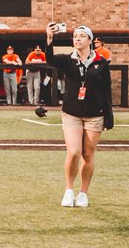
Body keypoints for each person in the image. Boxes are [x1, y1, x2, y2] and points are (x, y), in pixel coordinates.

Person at [44, 24, 114, 207]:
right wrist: (50, 38)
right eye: (75, 36)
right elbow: (50, 59)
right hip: (71, 113)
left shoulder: (101, 62)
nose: (77, 38)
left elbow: (107, 90)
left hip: (95, 114)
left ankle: (83, 193)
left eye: (82, 36)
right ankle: (68, 190)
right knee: (74, 152)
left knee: (88, 154)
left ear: (90, 40)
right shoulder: (68, 60)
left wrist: (109, 116)